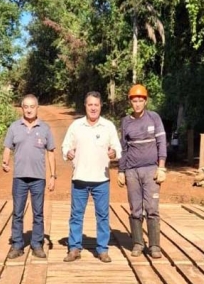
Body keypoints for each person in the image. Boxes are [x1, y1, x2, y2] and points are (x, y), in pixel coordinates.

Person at [61, 91, 122, 263]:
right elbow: (65, 146)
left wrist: (113, 153)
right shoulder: (76, 126)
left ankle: (102, 249)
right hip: (79, 178)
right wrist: (68, 152)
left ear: (101, 106)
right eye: (90, 105)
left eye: (96, 105)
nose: (93, 108)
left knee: (102, 215)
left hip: (101, 180)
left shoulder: (108, 126)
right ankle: (74, 248)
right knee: (76, 215)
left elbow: (118, 149)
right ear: (85, 106)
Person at [2, 94, 56, 259]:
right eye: (26, 107)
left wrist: (53, 175)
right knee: (17, 212)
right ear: (22, 108)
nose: (29, 110)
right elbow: (7, 148)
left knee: (38, 212)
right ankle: (17, 244)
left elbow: (51, 152)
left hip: (38, 178)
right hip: (19, 178)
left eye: (32, 106)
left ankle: (37, 244)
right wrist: (5, 161)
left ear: (37, 108)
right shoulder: (14, 127)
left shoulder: (45, 128)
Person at [117, 84, 167, 259]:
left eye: (140, 100)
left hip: (151, 170)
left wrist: (161, 167)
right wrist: (121, 171)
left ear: (145, 101)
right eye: (134, 100)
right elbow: (122, 148)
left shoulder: (154, 118)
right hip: (131, 171)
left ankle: (154, 245)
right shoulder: (126, 122)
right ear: (130, 102)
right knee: (135, 208)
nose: (137, 104)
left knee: (152, 208)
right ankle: (138, 243)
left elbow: (162, 143)